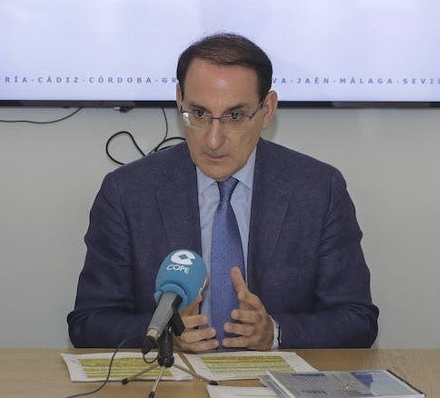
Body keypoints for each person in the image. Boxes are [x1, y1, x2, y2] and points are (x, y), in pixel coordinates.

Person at [67, 33, 378, 352]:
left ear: (267, 109)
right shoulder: (128, 193)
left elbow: (357, 320)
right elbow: (88, 323)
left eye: (235, 116)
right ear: (179, 100)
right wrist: (164, 332)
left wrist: (275, 332)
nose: (213, 140)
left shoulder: (318, 190)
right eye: (199, 114)